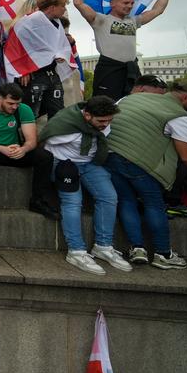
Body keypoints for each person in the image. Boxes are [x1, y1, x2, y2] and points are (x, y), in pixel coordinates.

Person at [105, 80, 187, 268]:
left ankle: (137, 248)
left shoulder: (129, 99)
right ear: (186, 97)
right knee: (154, 204)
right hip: (138, 163)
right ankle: (163, 253)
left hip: (110, 157)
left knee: (126, 201)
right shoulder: (180, 116)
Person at [39, 96, 133, 275]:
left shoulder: (101, 124)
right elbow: (44, 142)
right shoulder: (64, 125)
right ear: (87, 116)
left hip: (90, 164)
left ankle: (103, 246)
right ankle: (76, 251)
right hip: (64, 163)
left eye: (109, 121)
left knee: (109, 197)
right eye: (102, 121)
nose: (106, 124)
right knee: (73, 202)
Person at [73, 0, 176, 101]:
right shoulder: (101, 20)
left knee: (134, 103)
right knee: (105, 105)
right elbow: (78, 3)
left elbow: (158, 10)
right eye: (125, 3)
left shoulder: (134, 21)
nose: (129, 6)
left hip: (131, 69)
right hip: (109, 69)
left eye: (132, 3)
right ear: (112, 3)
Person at [0, 83, 59, 219]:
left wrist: (24, 149)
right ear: (0, 98)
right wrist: (1, 148)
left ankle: (38, 201)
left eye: (17, 103)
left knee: (44, 156)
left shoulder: (24, 109)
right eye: (11, 103)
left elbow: (32, 140)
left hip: (15, 151)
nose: (14, 107)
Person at [10, 0, 72, 119]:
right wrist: (23, 70)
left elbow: (59, 45)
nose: (64, 9)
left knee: (57, 110)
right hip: (33, 75)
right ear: (52, 7)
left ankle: (55, 138)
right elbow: (16, 46)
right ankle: (27, 138)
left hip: (51, 73)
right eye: (62, 6)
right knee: (30, 112)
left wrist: (61, 54)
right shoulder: (28, 22)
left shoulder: (57, 23)